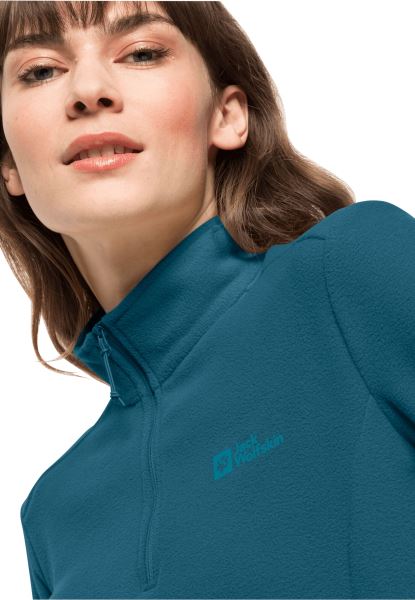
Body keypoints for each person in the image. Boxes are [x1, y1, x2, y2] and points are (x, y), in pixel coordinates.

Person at [1, 1, 414, 599]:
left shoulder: (350, 274)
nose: (88, 90)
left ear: (227, 116)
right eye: (40, 70)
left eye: (142, 53)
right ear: (9, 165)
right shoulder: (53, 516)